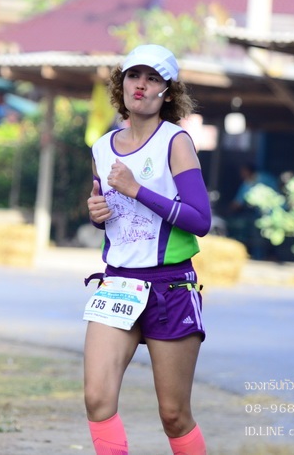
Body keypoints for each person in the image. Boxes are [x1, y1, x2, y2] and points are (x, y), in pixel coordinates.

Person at [84, 44, 211, 455]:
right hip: (117, 283)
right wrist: (96, 214)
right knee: (97, 399)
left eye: (153, 78)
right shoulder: (102, 148)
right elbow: (110, 217)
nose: (141, 85)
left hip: (170, 285)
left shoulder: (176, 142)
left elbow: (201, 219)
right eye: (134, 75)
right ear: (121, 84)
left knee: (173, 414)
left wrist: (137, 189)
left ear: (168, 92)